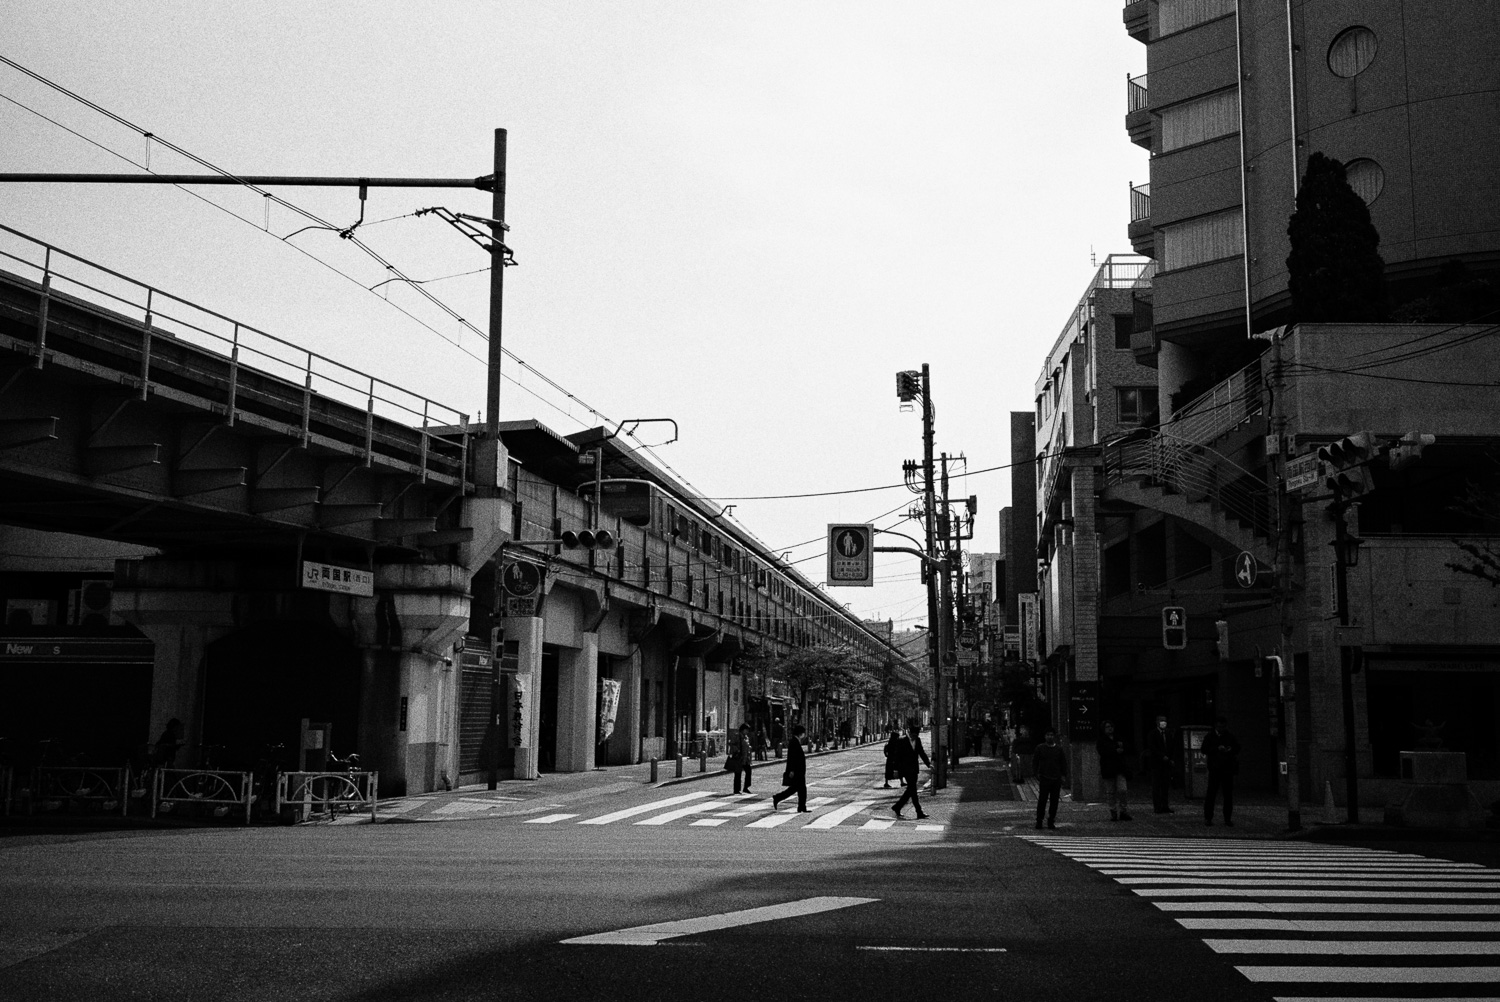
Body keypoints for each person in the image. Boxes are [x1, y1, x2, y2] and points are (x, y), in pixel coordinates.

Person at [1201, 715, 1241, 826]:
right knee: (1211, 794)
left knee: (1227, 795)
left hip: (1227, 768)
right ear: (1216, 726)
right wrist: (1216, 749)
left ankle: (1227, 818)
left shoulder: (1229, 736)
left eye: (1223, 727)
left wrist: (1230, 749)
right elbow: (1204, 749)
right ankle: (1208, 817)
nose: (1221, 729)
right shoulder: (1210, 736)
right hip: (1215, 768)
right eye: (1219, 727)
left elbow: (1237, 747)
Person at [890, 722, 932, 820]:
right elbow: (897, 757)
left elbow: (921, 753)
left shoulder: (918, 740)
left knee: (911, 790)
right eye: (913, 735)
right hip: (905, 769)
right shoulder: (902, 741)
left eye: (917, 735)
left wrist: (929, 764)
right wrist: (896, 770)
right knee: (913, 790)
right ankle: (919, 812)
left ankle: (897, 807)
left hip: (914, 769)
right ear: (910, 733)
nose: (915, 736)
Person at [1032, 728, 1069, 829]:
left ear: (1054, 736)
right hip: (1044, 777)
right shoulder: (1040, 748)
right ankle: (1039, 820)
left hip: (1056, 778)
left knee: (1054, 801)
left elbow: (1063, 763)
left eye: (1051, 735)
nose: (1050, 737)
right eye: (1048, 735)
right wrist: (1036, 774)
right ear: (1045, 736)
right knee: (1042, 800)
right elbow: (1035, 761)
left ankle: (1051, 820)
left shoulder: (1059, 749)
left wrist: (1063, 775)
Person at [1096, 720, 1132, 822]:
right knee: (1110, 792)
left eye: (1111, 726)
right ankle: (1113, 811)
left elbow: (1128, 747)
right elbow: (1102, 751)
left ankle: (1123, 810)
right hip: (1108, 768)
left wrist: (1122, 749)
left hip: (1120, 768)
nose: (1110, 728)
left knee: (1122, 790)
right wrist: (1114, 751)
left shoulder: (1119, 738)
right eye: (1107, 727)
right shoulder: (1101, 740)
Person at [770, 724, 809, 812]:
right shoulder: (793, 742)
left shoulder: (796, 741)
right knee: (799, 789)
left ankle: (801, 807)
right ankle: (778, 798)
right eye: (803, 733)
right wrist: (791, 770)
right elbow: (791, 757)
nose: (804, 735)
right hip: (796, 770)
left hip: (799, 770)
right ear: (800, 733)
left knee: (797, 789)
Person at [1145, 714, 1175, 813]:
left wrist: (1170, 758)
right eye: (1161, 720)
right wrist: (1162, 756)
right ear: (1157, 722)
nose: (1163, 722)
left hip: (1166, 764)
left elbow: (1171, 747)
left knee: (1165, 786)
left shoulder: (1168, 733)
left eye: (1164, 720)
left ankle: (1165, 805)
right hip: (1156, 763)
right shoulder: (1152, 734)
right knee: (1156, 786)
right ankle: (1157, 807)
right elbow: (1152, 748)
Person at [728, 722, 753, 794]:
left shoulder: (746, 737)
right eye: (746, 730)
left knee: (748, 771)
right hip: (739, 757)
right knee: (738, 774)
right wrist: (736, 750)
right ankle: (736, 790)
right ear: (743, 729)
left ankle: (746, 787)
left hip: (745, 758)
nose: (747, 731)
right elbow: (732, 744)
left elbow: (747, 747)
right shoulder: (737, 736)